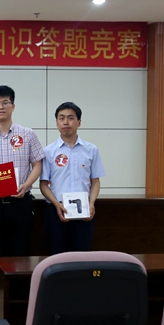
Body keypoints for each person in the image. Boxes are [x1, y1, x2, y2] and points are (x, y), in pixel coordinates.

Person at [0, 85, 44, 325]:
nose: (0, 107)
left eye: (5, 103)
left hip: (21, 203)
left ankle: (20, 309)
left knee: (20, 254)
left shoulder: (28, 134)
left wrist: (26, 185)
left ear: (13, 106)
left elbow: (37, 164)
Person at [40, 102, 105, 254]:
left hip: (84, 211)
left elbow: (95, 181)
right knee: (57, 254)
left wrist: (91, 203)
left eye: (70, 118)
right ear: (56, 122)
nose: (66, 122)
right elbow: (43, 184)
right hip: (57, 210)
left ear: (79, 122)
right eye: (61, 118)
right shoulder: (48, 152)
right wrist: (56, 204)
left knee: (82, 255)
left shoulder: (91, 150)